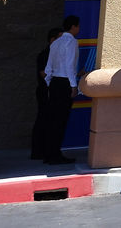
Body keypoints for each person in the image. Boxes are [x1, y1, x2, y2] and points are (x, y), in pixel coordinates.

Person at [42, 15, 80, 164]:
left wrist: (48, 81)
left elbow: (48, 66)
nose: (78, 29)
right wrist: (73, 85)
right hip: (64, 82)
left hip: (55, 82)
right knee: (60, 120)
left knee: (52, 120)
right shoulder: (71, 41)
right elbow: (70, 65)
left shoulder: (55, 43)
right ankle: (55, 154)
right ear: (73, 26)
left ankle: (49, 153)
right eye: (78, 26)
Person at [30, 27, 62, 159]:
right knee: (43, 120)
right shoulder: (45, 54)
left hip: (53, 91)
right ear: (52, 40)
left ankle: (48, 150)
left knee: (51, 122)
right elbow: (44, 73)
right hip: (46, 91)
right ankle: (38, 151)